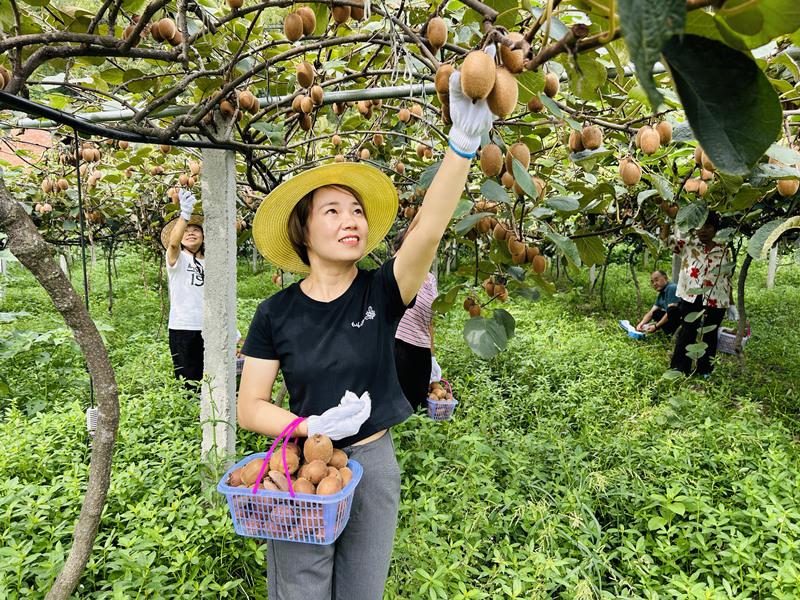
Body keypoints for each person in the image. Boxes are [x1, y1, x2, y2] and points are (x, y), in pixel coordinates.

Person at [237, 58, 494, 600]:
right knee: (299, 589)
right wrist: (309, 428)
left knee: (362, 591)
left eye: (355, 210)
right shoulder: (274, 314)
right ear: (303, 230)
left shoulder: (382, 291)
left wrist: (461, 149)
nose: (350, 219)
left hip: (372, 463)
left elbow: (426, 231)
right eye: (331, 211)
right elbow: (250, 406)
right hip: (304, 466)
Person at [669, 211, 733, 376]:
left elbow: (727, 277)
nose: (703, 230)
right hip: (692, 296)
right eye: (700, 227)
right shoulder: (689, 245)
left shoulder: (724, 249)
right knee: (688, 331)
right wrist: (667, 218)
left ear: (715, 229)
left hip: (716, 298)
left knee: (710, 334)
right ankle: (679, 367)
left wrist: (731, 303)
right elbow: (666, 241)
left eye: (708, 227)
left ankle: (705, 369)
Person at [161, 189, 205, 384]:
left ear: (204, 236)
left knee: (211, 378)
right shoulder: (177, 258)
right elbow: (172, 245)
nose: (191, 233)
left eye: (196, 230)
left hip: (209, 328)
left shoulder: (213, 263)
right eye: (186, 231)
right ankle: (192, 415)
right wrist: (185, 215)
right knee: (187, 381)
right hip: (183, 327)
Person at [392, 226, 438, 410]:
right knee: (398, 402)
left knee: (418, 402)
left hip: (422, 349)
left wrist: (432, 356)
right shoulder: (399, 270)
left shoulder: (430, 279)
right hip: (398, 345)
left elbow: (430, 323)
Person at [636, 270, 680, 334]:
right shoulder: (661, 293)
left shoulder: (672, 288)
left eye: (656, 280)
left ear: (665, 278)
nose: (654, 284)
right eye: (652, 282)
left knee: (671, 310)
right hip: (673, 319)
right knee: (656, 313)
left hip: (682, 320)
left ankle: (672, 332)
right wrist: (641, 323)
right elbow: (651, 312)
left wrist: (656, 327)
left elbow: (672, 312)